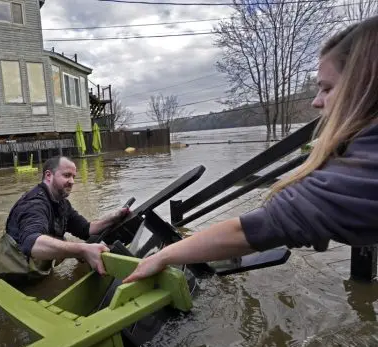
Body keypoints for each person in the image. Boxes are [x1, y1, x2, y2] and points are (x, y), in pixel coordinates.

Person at [122, 16, 378, 284]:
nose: (316, 102)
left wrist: (161, 257)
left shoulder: (362, 176)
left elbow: (251, 230)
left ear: (365, 85)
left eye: (327, 88)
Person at [0, 155, 129, 284]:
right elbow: (31, 243)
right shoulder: (34, 204)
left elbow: (86, 229)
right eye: (67, 175)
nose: (72, 181)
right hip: (10, 283)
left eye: (74, 176)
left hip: (36, 275)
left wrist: (112, 218)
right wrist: (82, 250)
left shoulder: (62, 203)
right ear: (48, 176)